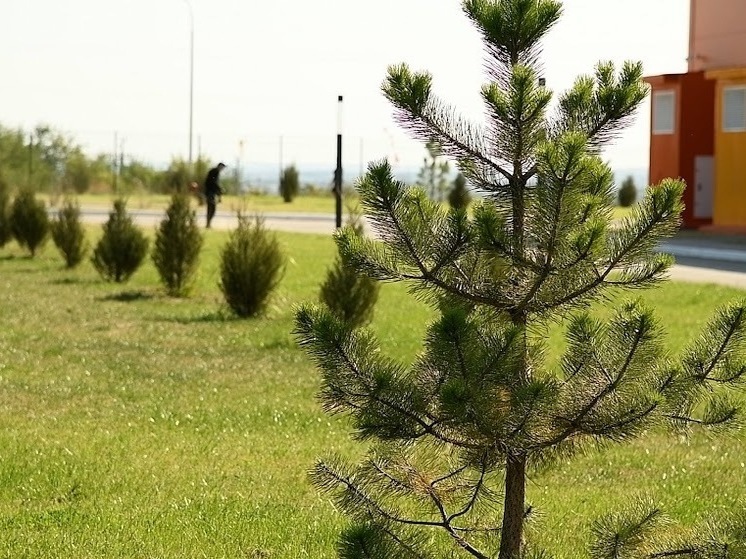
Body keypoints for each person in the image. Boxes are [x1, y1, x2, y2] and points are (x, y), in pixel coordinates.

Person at [203, 162, 226, 228]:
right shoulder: (215, 172)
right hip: (210, 192)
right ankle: (208, 223)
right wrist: (220, 189)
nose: (222, 169)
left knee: (210, 208)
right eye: (222, 167)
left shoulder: (214, 171)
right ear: (220, 166)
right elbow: (213, 183)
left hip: (210, 192)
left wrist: (219, 190)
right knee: (212, 208)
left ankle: (208, 223)